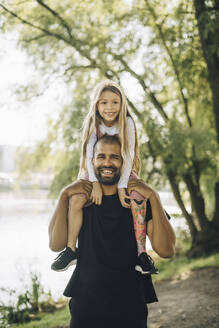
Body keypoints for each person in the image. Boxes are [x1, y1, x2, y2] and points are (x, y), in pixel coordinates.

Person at [48, 135, 176, 328]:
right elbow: (55, 245)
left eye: (114, 157)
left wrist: (154, 196)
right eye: (101, 157)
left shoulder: (138, 201)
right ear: (92, 162)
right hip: (86, 306)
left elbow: (166, 250)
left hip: (131, 307)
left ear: (125, 162)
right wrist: (64, 195)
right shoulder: (80, 200)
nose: (107, 163)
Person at [51, 79, 158, 274]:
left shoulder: (128, 123)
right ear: (97, 105)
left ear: (122, 103)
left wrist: (121, 186)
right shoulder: (94, 123)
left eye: (115, 102)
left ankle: (141, 253)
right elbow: (89, 154)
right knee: (76, 199)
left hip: (123, 169)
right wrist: (94, 184)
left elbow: (128, 155)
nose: (110, 107)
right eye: (104, 102)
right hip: (93, 171)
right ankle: (70, 250)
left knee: (137, 198)